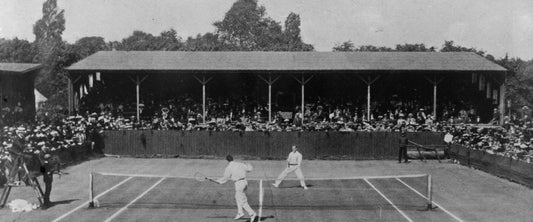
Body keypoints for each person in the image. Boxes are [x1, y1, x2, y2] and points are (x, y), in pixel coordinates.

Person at [216, 155, 257, 221]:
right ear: (232, 159)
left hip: (239, 184)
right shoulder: (240, 164)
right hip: (245, 182)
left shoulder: (229, 167)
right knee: (238, 197)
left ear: (227, 160)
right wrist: (248, 164)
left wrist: (218, 181)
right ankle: (240, 212)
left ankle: (252, 213)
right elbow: (250, 169)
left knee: (241, 200)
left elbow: (225, 178)